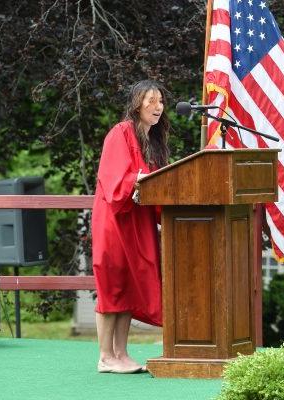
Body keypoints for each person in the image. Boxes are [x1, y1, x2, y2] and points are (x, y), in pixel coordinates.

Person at [91, 80, 170, 373]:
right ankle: (104, 355)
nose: (157, 106)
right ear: (136, 104)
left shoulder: (154, 143)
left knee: (129, 287)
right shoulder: (120, 132)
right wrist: (139, 180)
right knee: (112, 284)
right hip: (115, 219)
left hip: (139, 220)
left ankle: (121, 354)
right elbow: (114, 178)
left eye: (160, 101)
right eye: (150, 100)